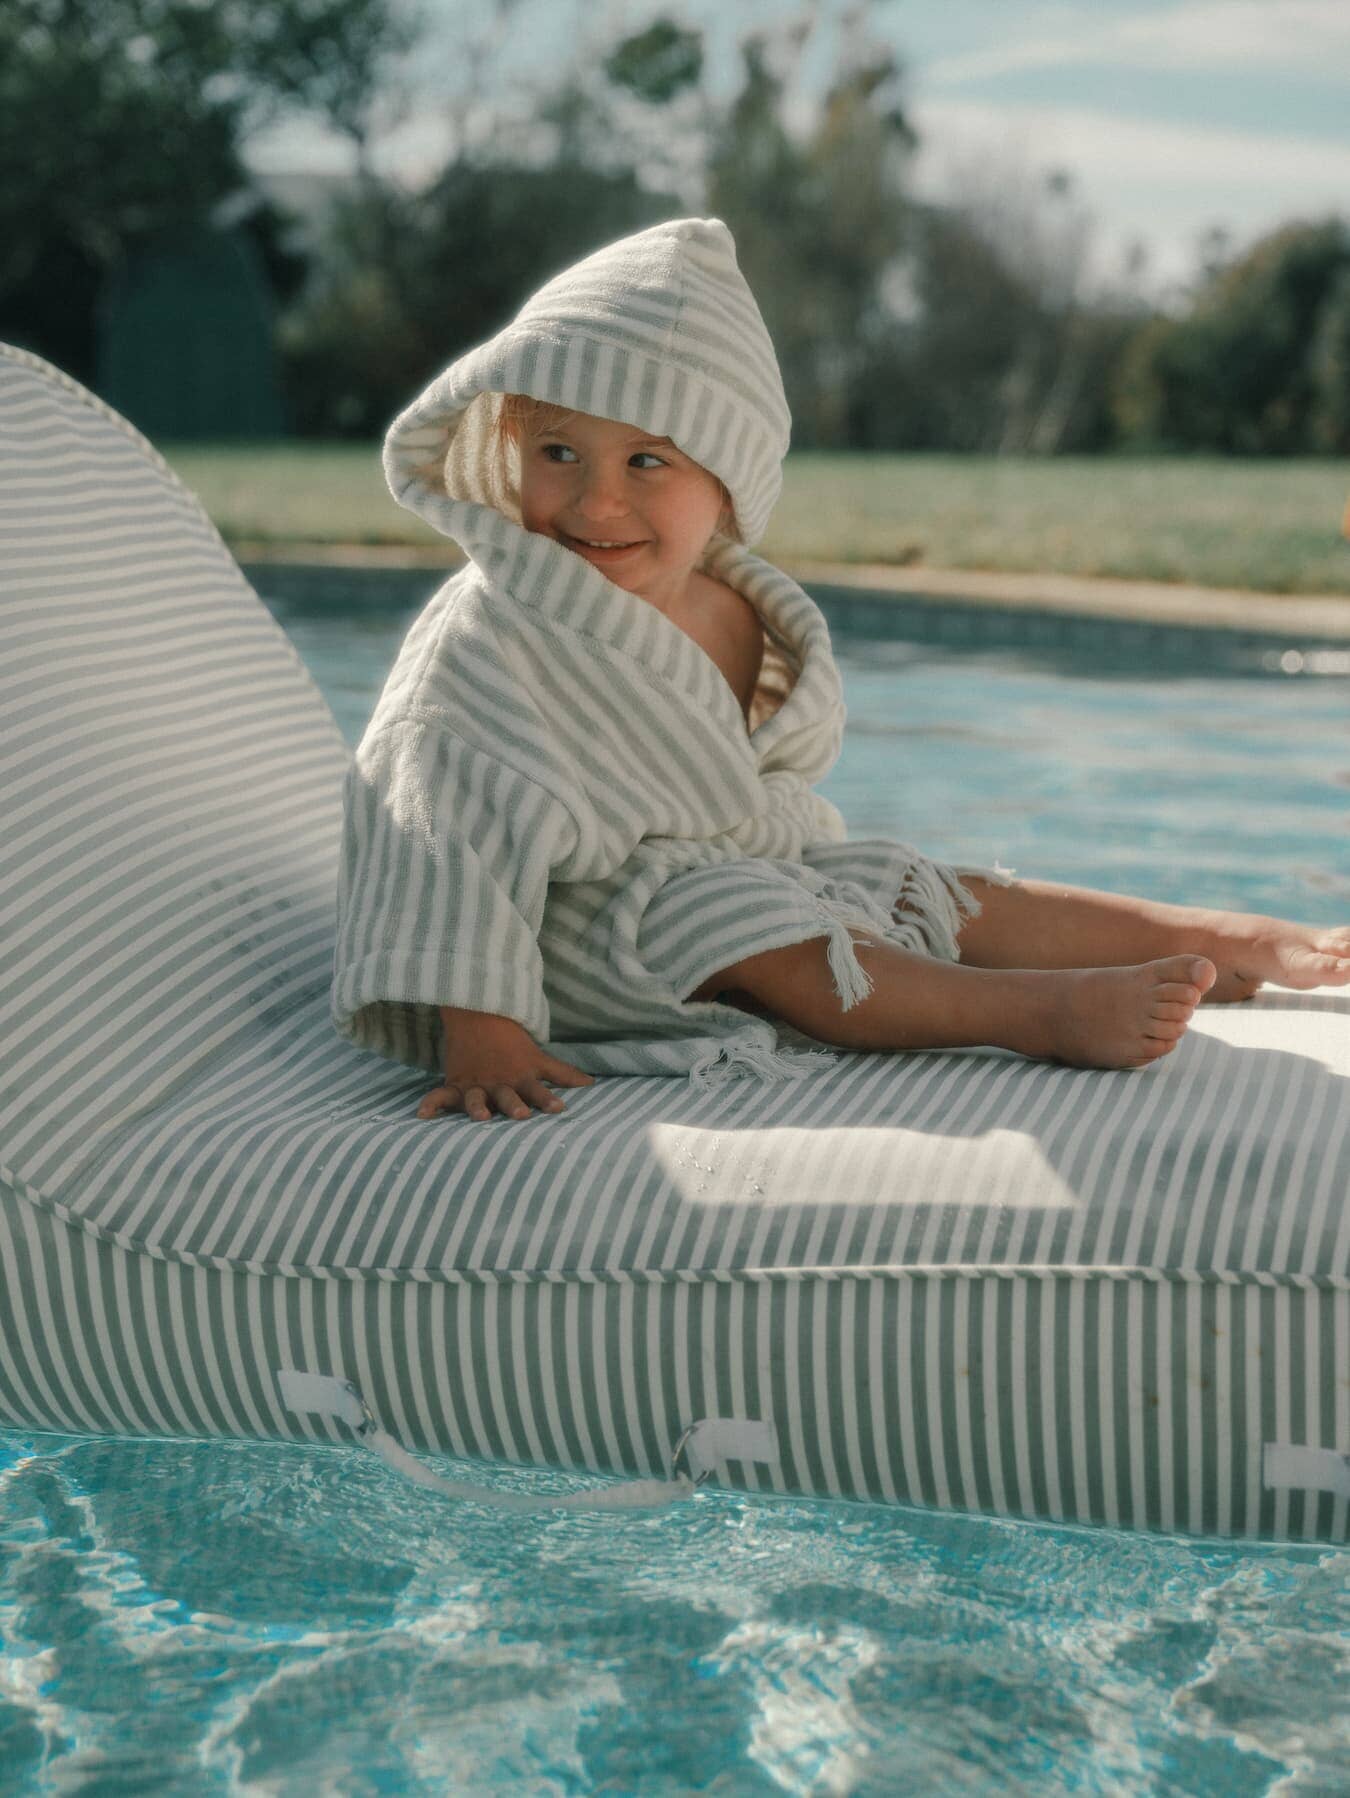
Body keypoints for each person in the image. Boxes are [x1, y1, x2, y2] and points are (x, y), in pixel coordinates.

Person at [332, 217, 1350, 1124]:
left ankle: (1230, 937)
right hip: (570, 936)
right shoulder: (488, 638)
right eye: (559, 453)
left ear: (727, 484)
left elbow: (762, 785)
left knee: (905, 879)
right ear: (510, 448)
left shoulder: (741, 604)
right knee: (745, 915)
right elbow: (432, 824)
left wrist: (808, 870)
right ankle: (1038, 1012)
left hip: (736, 870)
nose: (595, 503)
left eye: (647, 462)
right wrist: (485, 1031)